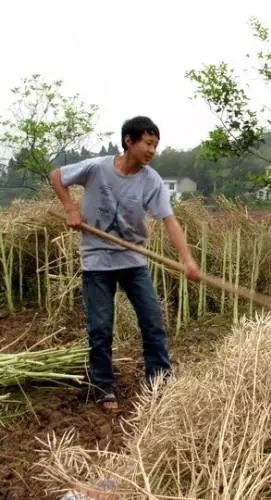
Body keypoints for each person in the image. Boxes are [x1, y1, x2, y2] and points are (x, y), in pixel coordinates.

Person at [49, 116, 201, 412]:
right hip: (97, 261)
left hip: (133, 261)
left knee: (152, 321)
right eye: (147, 143)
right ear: (129, 141)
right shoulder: (97, 168)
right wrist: (70, 208)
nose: (152, 150)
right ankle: (104, 386)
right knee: (100, 328)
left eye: (156, 145)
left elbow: (169, 221)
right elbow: (57, 175)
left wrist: (188, 261)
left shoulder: (151, 180)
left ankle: (159, 382)